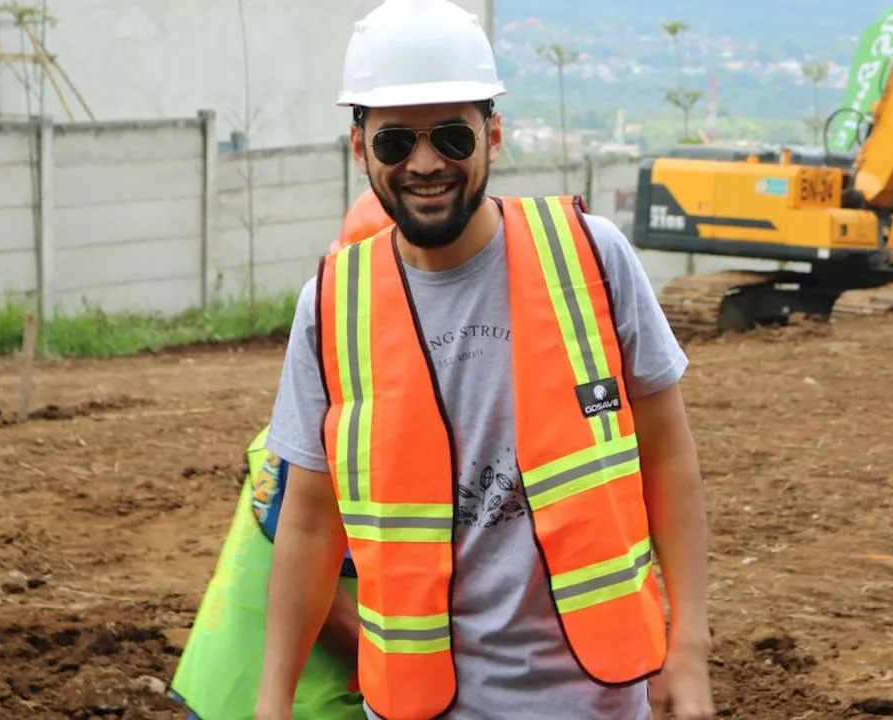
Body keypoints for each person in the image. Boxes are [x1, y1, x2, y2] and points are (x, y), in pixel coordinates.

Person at [255, 1, 714, 719]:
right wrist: (272, 701)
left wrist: (687, 647)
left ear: (493, 135)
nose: (426, 162)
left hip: (593, 696)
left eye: (452, 137)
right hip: (419, 703)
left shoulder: (591, 258)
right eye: (396, 141)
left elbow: (668, 457)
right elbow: (309, 523)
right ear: (359, 150)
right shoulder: (331, 306)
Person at [168, 194, 393, 720]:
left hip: (243, 684)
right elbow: (330, 605)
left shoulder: (341, 403)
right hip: (289, 700)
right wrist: (420, 682)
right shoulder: (341, 426)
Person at [168, 425, 365, 719]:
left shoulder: (298, 427)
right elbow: (316, 585)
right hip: (301, 701)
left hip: (234, 682)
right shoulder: (354, 449)